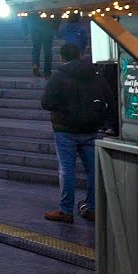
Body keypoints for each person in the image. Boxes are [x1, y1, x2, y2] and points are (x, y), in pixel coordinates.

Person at [41, 43, 107, 223]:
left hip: (65, 130)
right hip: (90, 129)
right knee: (93, 170)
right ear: (79, 55)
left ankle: (65, 210)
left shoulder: (58, 76)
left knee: (67, 170)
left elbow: (46, 103)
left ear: (62, 57)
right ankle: (92, 208)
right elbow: (107, 97)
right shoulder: (94, 74)